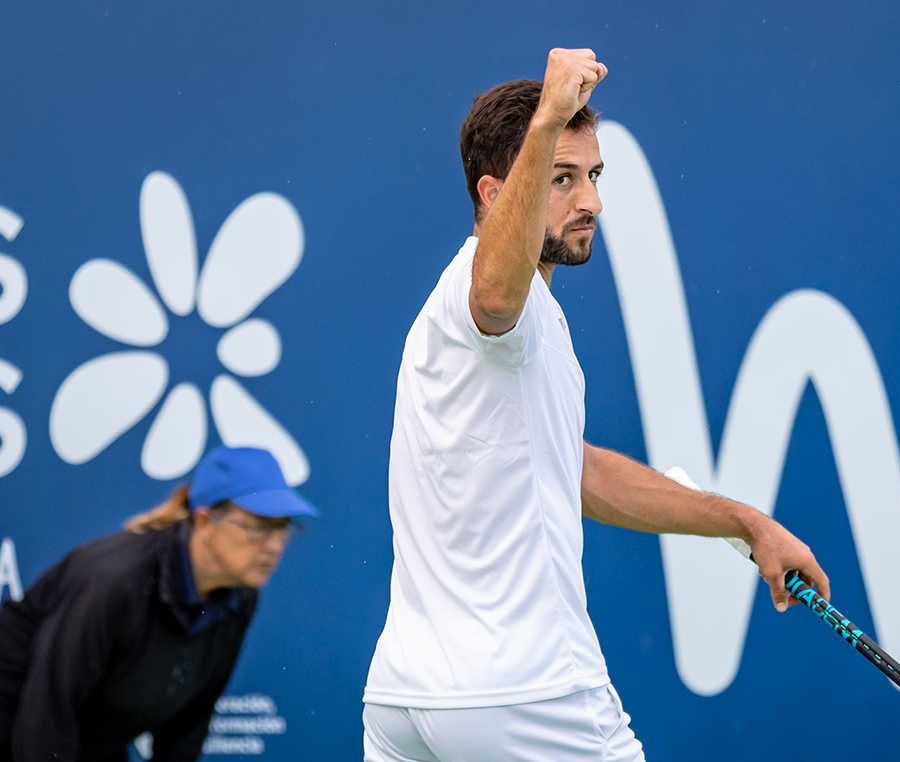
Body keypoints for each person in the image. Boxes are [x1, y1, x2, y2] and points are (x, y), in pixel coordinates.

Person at [363, 48, 831, 762]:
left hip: (409, 700)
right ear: (494, 193)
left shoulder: (527, 322)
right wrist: (548, 113)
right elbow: (495, 296)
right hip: (524, 693)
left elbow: (575, 472)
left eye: (593, 176)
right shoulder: (489, 301)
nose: (592, 202)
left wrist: (743, 522)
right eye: (561, 178)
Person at [0, 446, 318, 762]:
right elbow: (46, 715)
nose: (275, 546)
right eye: (258, 527)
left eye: (282, 527)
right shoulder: (113, 580)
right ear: (205, 521)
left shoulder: (240, 597)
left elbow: (187, 730)